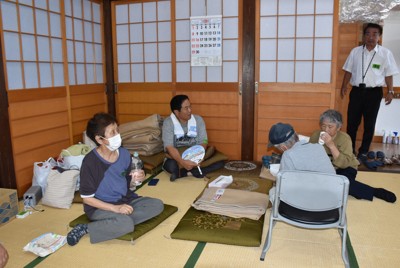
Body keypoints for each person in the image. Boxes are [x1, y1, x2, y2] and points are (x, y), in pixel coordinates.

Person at [67, 113, 164, 246]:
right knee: (126, 224)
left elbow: (128, 184)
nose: (117, 135)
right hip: (100, 206)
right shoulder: (90, 162)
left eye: (117, 130)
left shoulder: (124, 154)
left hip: (125, 200)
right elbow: (87, 199)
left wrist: (138, 178)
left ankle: (115, 222)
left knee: (157, 205)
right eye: (112, 133)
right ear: (100, 140)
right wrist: (115, 208)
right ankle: (86, 228)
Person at [268, 119, 396, 203]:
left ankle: (370, 191)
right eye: (324, 126)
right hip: (330, 202)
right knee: (342, 182)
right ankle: (367, 191)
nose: (326, 129)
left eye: (330, 126)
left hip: (306, 204)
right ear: (296, 134)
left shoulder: (288, 155)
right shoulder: (317, 145)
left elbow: (285, 185)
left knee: (274, 191)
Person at [340, 23, 399, 158]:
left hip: (374, 93)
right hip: (356, 92)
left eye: (374, 34)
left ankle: (364, 151)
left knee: (369, 123)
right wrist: (343, 86)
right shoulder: (355, 51)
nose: (371, 37)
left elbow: (388, 74)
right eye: (368, 34)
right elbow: (348, 71)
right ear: (364, 35)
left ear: (379, 36)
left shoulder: (385, 53)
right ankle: (350, 150)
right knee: (352, 123)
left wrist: (390, 91)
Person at [162, 95, 224, 181]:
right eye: (186, 108)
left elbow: (204, 140)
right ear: (176, 112)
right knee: (171, 166)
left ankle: (186, 173)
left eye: (190, 106)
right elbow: (169, 147)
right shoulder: (168, 123)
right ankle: (191, 171)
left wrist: (200, 156)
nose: (190, 110)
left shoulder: (198, 120)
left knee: (220, 161)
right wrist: (182, 162)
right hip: (178, 156)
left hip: (195, 153)